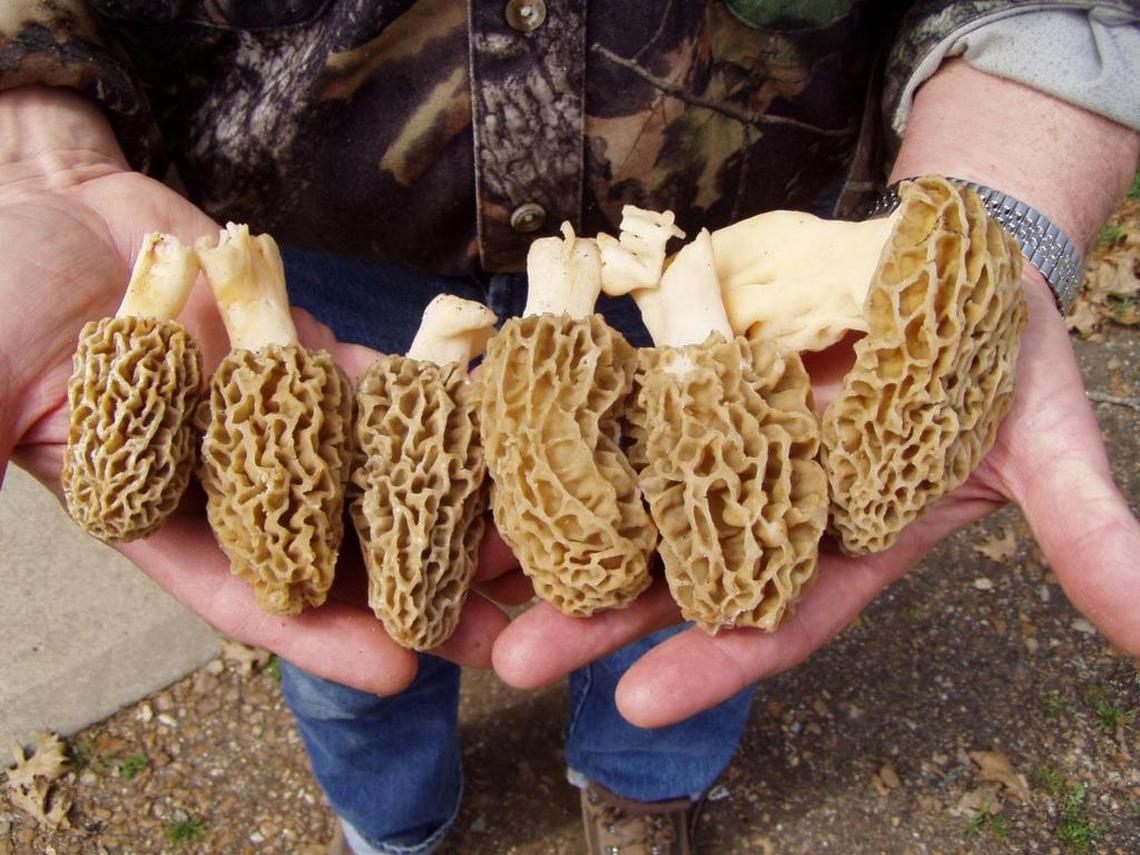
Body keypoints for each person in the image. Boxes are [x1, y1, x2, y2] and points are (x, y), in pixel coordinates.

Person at [1, 2, 1137, 852]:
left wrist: (997, 212)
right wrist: (34, 149)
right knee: (352, 607)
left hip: (739, 251)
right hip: (315, 261)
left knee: (699, 586)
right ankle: (391, 823)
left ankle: (644, 790)